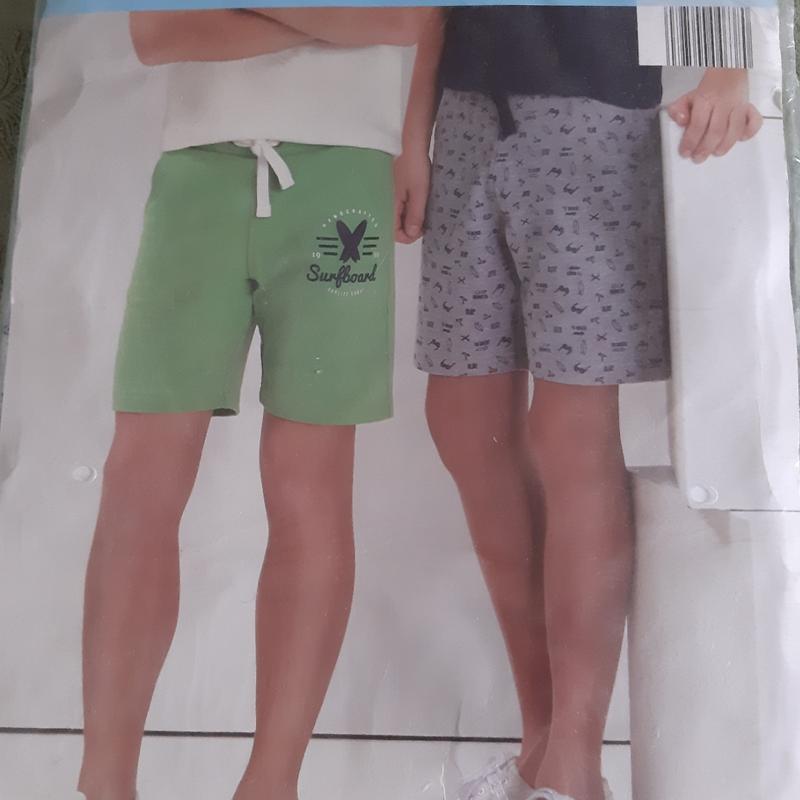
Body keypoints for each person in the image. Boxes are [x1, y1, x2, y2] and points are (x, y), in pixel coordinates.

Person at [395, 7, 762, 800]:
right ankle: (542, 743)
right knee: (462, 418)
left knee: (570, 431)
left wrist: (729, 69)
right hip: (468, 117)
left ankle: (573, 763)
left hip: (594, 111)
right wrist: (414, 134)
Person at [77, 8, 428, 800]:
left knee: (310, 487)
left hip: (347, 174)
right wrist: (340, 20)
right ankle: (104, 786)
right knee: (139, 480)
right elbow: (157, 33)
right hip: (196, 172)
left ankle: (272, 786)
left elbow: (403, 18)